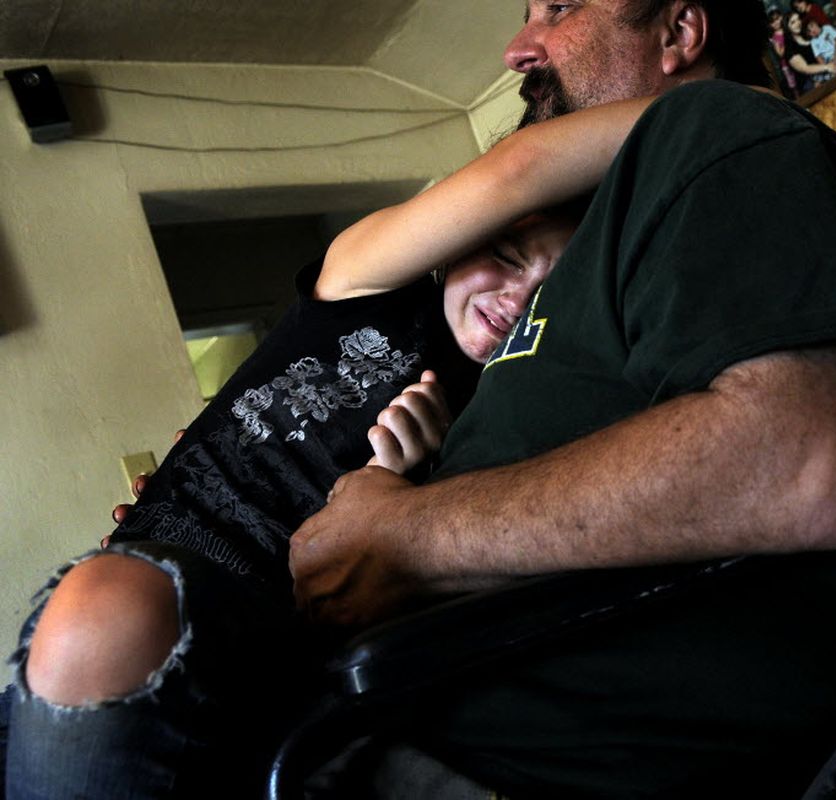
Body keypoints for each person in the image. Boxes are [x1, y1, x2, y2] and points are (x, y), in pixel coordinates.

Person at [285, 0, 836, 796]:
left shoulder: (716, 130)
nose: (519, 48)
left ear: (679, 34)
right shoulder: (602, 226)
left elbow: (800, 465)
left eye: (559, 8)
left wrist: (399, 537)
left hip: (534, 755)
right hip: (415, 700)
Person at [3, 96, 652, 798]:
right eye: (504, 257)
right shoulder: (363, 283)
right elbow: (516, 173)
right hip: (156, 582)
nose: (517, 298)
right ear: (462, 237)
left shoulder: (517, 403)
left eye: (550, 294)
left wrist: (402, 488)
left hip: (290, 647)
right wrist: (707, 107)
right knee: (104, 606)